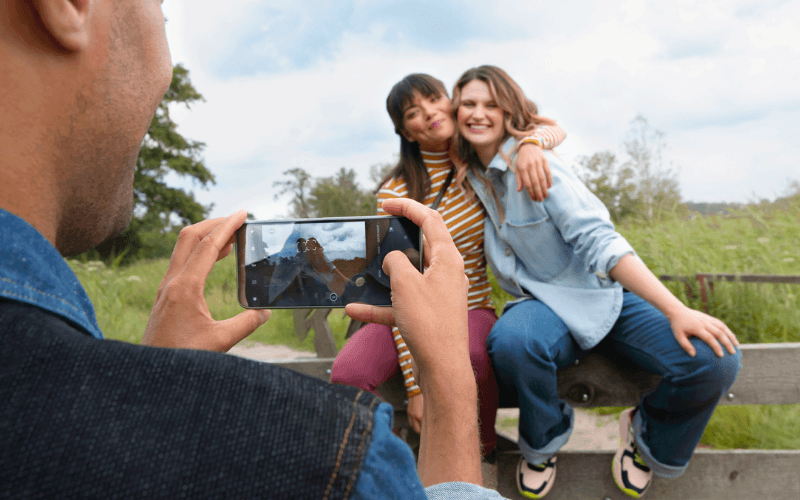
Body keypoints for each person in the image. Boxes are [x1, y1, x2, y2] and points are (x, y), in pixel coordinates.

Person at [0, 2, 510, 497]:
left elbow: (529, 135)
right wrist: (445, 389)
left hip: (472, 306)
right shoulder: (341, 456)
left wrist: (151, 381)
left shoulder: (487, 165)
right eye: (160, 6)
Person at [450, 65, 742, 499]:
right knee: (512, 342)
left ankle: (646, 439)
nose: (478, 113)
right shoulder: (469, 174)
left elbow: (599, 241)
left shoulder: (536, 165)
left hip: (602, 294)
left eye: (491, 104)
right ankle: (544, 441)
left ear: (509, 110)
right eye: (468, 104)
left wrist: (676, 310)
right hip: (543, 305)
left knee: (713, 360)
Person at [331, 73, 566, 459]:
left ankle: (481, 455)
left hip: (469, 303)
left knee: (472, 358)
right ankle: (388, 464)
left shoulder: (482, 163)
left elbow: (551, 128)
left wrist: (530, 147)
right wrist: (417, 388)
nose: (428, 112)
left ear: (449, 103)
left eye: (434, 98)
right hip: (402, 305)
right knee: (349, 374)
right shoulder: (394, 191)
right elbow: (400, 281)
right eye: (412, 112)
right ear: (405, 131)